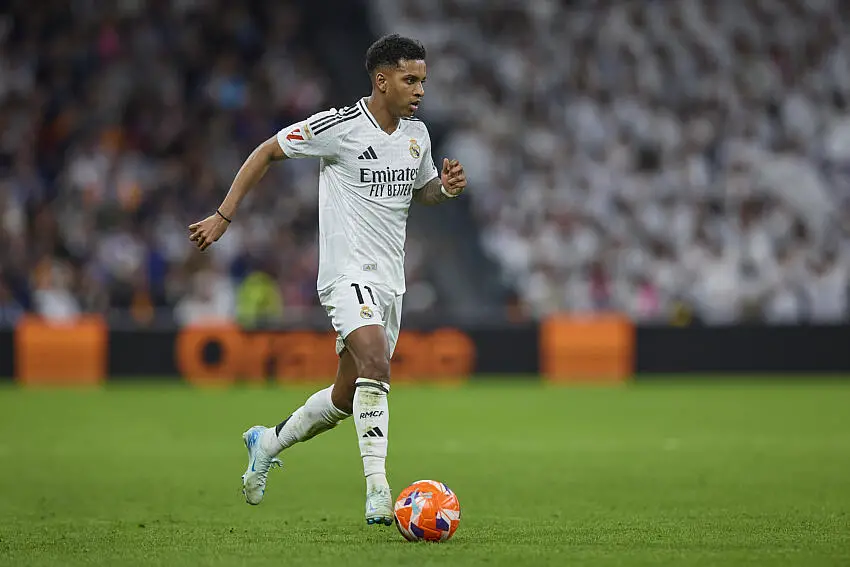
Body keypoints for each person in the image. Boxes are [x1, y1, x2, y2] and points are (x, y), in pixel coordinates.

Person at [188, 34, 467, 526]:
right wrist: (223, 216)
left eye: (423, 80)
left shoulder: (417, 136)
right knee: (376, 361)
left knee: (346, 396)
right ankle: (378, 490)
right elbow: (266, 151)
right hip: (346, 274)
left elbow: (419, 191)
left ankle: (267, 442)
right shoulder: (339, 127)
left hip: (390, 281)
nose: (420, 90)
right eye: (410, 80)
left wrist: (441, 190)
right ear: (382, 80)